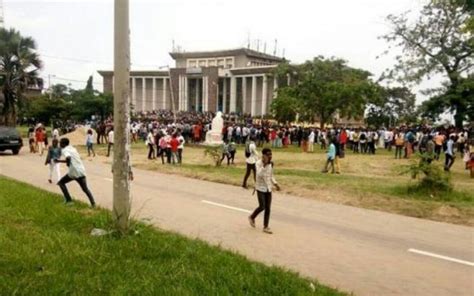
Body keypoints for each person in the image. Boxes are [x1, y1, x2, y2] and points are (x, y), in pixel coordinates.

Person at [55, 138, 96, 207]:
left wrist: (67, 164)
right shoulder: (73, 148)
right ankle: (93, 204)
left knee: (61, 183)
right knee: (85, 189)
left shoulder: (64, 150)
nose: (60, 144)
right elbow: (72, 159)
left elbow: (68, 158)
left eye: (61, 143)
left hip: (74, 172)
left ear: (64, 144)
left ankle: (69, 200)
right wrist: (59, 161)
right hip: (81, 170)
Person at [248, 148, 280, 234]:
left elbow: (270, 175)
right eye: (268, 154)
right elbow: (258, 175)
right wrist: (264, 165)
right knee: (262, 206)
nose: (270, 156)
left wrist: (275, 184)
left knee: (268, 208)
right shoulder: (258, 163)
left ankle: (266, 227)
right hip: (260, 188)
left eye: (271, 154)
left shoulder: (271, 164)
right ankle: (252, 217)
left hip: (268, 188)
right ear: (263, 155)